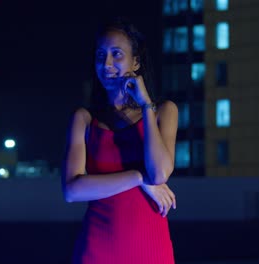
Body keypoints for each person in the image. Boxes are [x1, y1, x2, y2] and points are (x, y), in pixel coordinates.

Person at [62, 17, 178, 264]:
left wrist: (146, 103)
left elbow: (159, 174)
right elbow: (71, 190)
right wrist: (139, 179)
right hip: (97, 250)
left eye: (116, 54)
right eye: (100, 55)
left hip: (151, 249)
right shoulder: (83, 119)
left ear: (135, 61)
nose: (106, 63)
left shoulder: (164, 112)